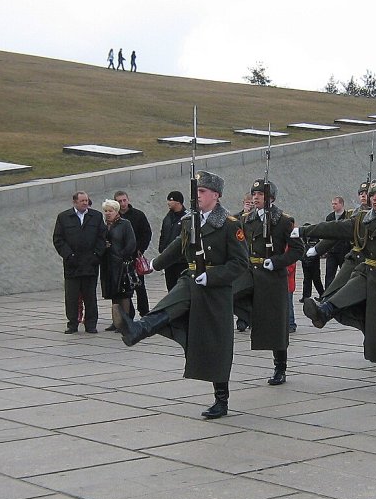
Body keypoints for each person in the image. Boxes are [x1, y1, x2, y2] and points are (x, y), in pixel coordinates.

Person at [115, 171, 248, 418]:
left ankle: (221, 399)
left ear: (216, 195)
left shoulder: (230, 224)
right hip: (191, 280)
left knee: (216, 344)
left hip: (216, 290)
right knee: (169, 304)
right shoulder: (190, 220)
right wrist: (154, 264)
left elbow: (240, 264)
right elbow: (179, 246)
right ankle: (137, 330)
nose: (197, 196)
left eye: (202, 192)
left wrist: (212, 276)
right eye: (196, 192)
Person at [297, 180, 376, 394]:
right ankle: (323, 312)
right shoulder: (361, 220)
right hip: (367, 271)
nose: (374, 199)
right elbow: (334, 228)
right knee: (344, 293)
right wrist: (303, 231)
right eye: (372, 195)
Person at [233, 179, 305, 385]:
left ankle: (280, 367)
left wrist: (276, 262)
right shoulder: (246, 219)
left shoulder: (283, 221)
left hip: (273, 277)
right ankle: (251, 318)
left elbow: (297, 250)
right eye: (253, 194)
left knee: (277, 324)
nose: (255, 197)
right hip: (251, 272)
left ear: (270, 198)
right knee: (227, 294)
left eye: (260, 195)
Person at [52, 191, 106, 333]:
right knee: (72, 296)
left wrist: (96, 255)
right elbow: (58, 239)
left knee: (90, 296)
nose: (85, 203)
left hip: (90, 263)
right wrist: (68, 255)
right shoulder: (64, 217)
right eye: (82, 200)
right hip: (72, 264)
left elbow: (102, 237)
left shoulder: (96, 216)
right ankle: (72, 324)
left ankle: (91, 324)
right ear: (75, 202)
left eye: (86, 200)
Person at [100, 199, 137, 332]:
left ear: (116, 211)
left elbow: (131, 243)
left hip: (121, 263)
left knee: (124, 293)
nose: (108, 213)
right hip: (108, 263)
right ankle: (116, 321)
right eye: (106, 211)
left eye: (110, 211)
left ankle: (125, 321)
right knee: (113, 293)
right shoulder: (104, 226)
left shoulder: (125, 224)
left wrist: (122, 256)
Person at [115, 191, 152, 317]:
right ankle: (127, 314)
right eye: (119, 201)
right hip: (120, 258)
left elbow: (146, 233)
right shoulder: (115, 216)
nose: (123, 203)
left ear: (128, 199)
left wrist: (140, 249)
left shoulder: (138, 215)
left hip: (135, 256)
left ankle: (144, 312)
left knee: (139, 285)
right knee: (123, 287)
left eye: (124, 200)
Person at [157, 191, 186, 291]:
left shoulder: (186, 218)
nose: (168, 202)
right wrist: (162, 249)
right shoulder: (168, 217)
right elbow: (163, 234)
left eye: (171, 200)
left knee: (181, 288)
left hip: (181, 260)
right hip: (168, 259)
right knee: (170, 287)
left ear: (178, 202)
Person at [323, 196, 350, 288]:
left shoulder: (347, 217)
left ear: (341, 204)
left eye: (335, 204)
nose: (333, 206)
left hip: (344, 251)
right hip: (332, 251)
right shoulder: (330, 217)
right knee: (329, 274)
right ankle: (327, 296)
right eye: (332, 204)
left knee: (345, 274)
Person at [299, 223, 323, 303]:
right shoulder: (302, 239)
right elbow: (300, 250)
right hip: (305, 262)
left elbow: (318, 251)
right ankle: (306, 296)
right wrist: (302, 259)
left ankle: (322, 294)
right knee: (306, 280)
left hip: (314, 263)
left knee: (316, 279)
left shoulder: (315, 239)